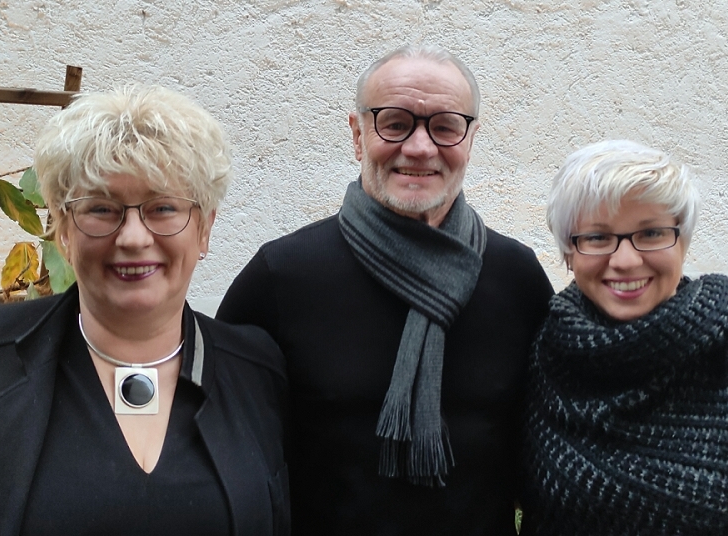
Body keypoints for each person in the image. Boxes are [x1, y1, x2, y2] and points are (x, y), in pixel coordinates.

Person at [0, 85, 289, 535]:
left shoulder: (256, 373)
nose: (133, 237)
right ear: (63, 229)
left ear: (204, 228)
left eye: (163, 208)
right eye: (102, 209)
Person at [216, 44, 553, 535]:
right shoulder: (280, 278)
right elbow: (226, 456)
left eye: (445, 126)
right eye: (394, 123)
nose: (419, 147)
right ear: (358, 135)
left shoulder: (517, 279)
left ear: (471, 139)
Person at [521, 139, 728, 535]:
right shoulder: (548, 358)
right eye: (597, 237)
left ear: (683, 242)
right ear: (569, 252)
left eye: (651, 233)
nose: (626, 260)